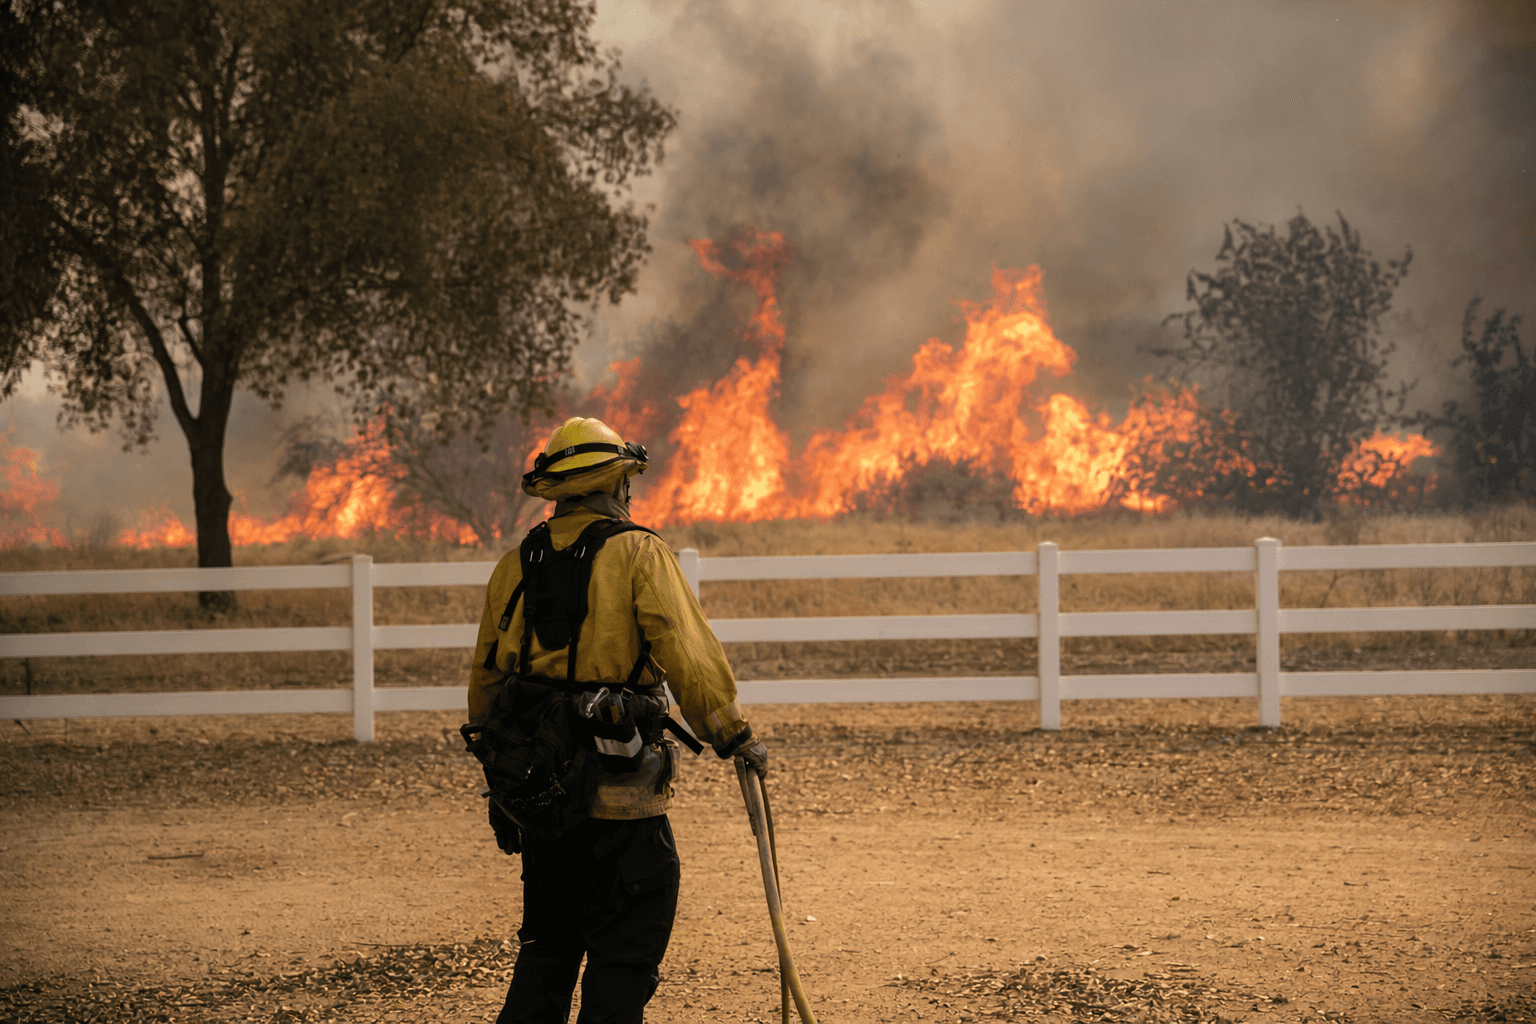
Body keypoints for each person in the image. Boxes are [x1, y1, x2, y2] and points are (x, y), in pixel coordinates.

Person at [467, 416, 768, 1024]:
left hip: (544, 801)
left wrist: (502, 790)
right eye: (627, 482)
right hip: (623, 803)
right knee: (625, 954)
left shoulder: (514, 566)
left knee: (548, 948)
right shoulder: (638, 553)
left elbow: (488, 685)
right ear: (614, 484)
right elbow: (689, 655)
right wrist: (734, 736)